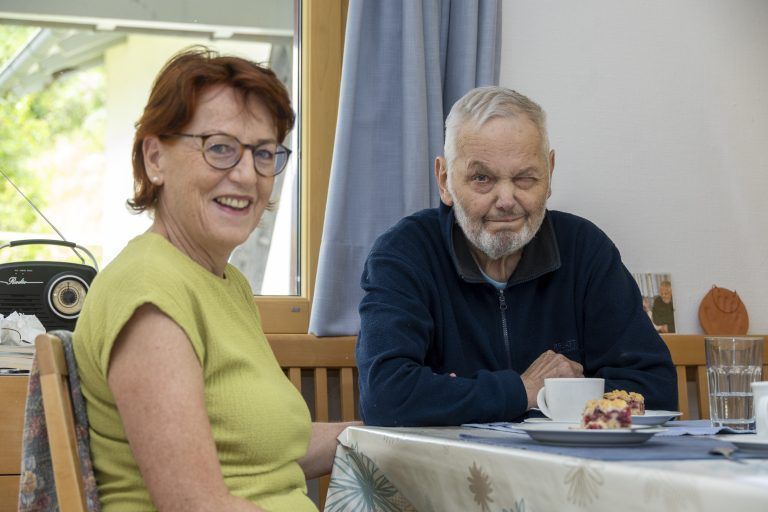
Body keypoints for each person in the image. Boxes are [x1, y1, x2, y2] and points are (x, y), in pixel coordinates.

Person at [74, 47, 353, 512]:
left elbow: (263, 451)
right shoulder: (149, 290)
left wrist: (382, 436)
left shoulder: (225, 283)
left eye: (263, 153)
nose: (246, 175)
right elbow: (195, 504)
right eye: (220, 147)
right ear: (155, 158)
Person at [356, 86, 677, 427]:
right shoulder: (404, 254)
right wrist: (523, 390)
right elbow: (386, 396)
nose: (506, 200)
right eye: (482, 178)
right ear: (445, 180)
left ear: (549, 173)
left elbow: (655, 388)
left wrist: (538, 396)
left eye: (525, 178)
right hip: (448, 460)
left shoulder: (585, 249)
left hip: (567, 459)